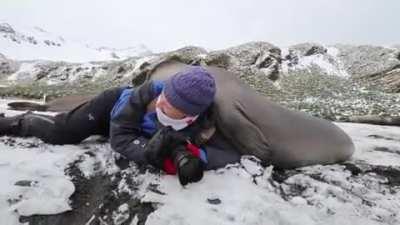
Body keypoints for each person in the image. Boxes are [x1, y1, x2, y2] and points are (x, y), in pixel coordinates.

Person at [0, 66, 240, 185]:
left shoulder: (203, 123)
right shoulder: (141, 96)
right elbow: (120, 138)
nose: (162, 108)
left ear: (191, 117)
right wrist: (148, 152)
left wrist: (199, 157)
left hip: (135, 131)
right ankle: (17, 122)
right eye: (163, 101)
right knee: (61, 133)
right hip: (109, 111)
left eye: (173, 112)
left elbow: (230, 153)